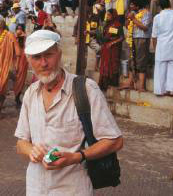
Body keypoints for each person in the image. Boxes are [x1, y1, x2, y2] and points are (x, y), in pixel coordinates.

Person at [15, 29, 123, 196]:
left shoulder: (86, 89)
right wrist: (32, 151)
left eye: (48, 55)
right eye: (36, 57)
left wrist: (77, 157)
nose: (43, 63)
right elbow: (21, 143)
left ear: (59, 54)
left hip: (72, 188)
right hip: (36, 187)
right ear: (29, 60)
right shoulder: (31, 93)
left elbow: (115, 141)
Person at [120, 0, 152, 92]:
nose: (130, 6)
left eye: (132, 5)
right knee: (131, 60)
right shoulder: (134, 13)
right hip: (132, 38)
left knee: (141, 61)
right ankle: (130, 83)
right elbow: (127, 26)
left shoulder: (147, 13)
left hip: (142, 39)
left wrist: (133, 19)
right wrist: (128, 19)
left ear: (138, 5)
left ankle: (142, 86)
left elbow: (145, 27)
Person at [99, 9, 124, 91]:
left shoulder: (118, 25)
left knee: (112, 65)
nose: (107, 16)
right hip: (105, 48)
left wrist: (112, 43)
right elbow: (101, 34)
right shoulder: (106, 24)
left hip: (113, 49)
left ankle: (112, 83)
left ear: (113, 15)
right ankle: (104, 85)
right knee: (104, 65)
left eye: (109, 15)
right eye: (107, 15)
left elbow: (122, 37)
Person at [13, 24, 28, 108]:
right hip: (15, 60)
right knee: (16, 79)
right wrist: (16, 37)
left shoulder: (25, 38)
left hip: (23, 61)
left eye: (21, 29)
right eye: (17, 29)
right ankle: (16, 95)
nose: (19, 30)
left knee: (21, 80)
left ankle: (17, 97)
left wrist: (23, 36)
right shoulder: (13, 37)